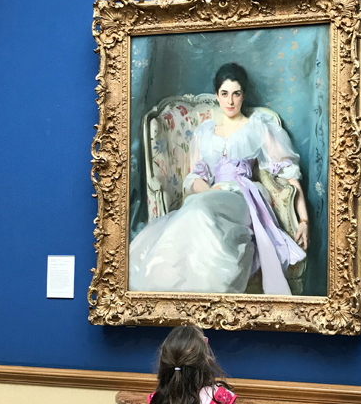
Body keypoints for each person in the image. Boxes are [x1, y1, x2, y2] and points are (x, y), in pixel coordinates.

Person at [128, 62, 310, 295]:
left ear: (243, 95)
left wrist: (304, 220)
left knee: (199, 210)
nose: (230, 101)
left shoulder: (257, 127)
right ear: (217, 95)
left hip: (242, 195)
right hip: (212, 195)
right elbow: (195, 176)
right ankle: (174, 286)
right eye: (224, 94)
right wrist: (210, 192)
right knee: (195, 208)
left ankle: (214, 286)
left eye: (236, 94)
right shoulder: (205, 132)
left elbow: (289, 174)